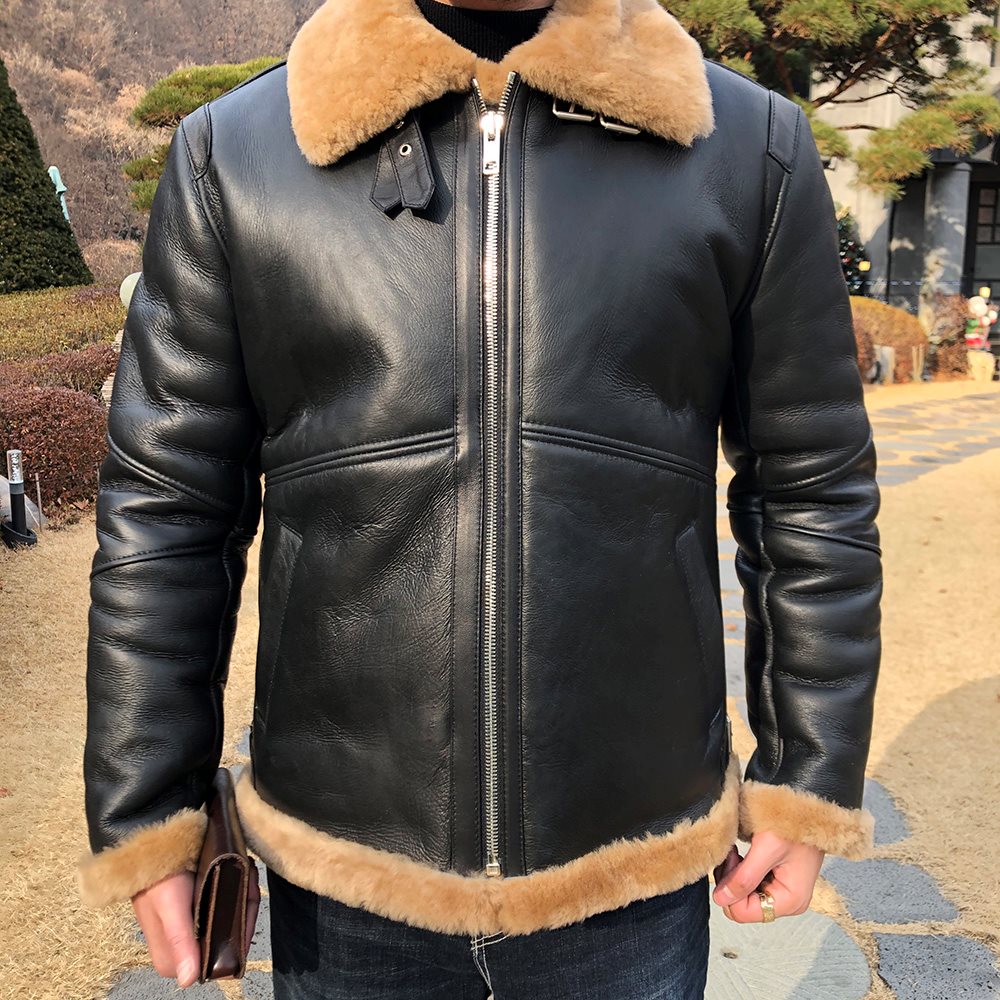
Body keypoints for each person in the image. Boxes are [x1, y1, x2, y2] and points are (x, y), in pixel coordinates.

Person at [76, 0, 883, 996]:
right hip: (347, 877)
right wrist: (149, 808)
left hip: (626, 868)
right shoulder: (235, 153)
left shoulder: (746, 147)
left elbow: (811, 483)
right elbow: (167, 507)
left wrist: (807, 775)